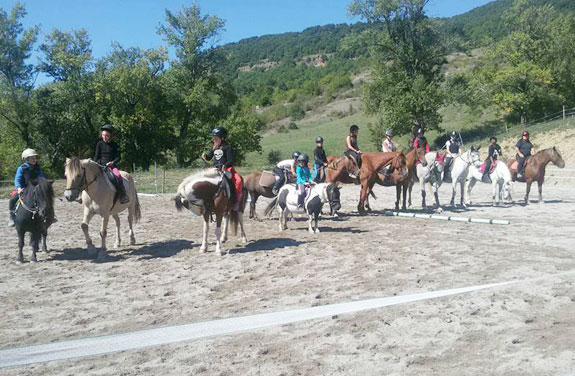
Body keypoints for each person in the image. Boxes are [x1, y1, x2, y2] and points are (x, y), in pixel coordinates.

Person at [202, 126, 243, 211]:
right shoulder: (214, 147)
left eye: (216, 138)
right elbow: (209, 158)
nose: (214, 140)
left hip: (227, 169)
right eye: (213, 138)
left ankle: (236, 202)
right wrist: (205, 156)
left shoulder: (228, 147)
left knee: (238, 181)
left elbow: (230, 160)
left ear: (222, 138)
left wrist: (225, 165)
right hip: (215, 169)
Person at [8, 149, 46, 227]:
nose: (34, 160)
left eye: (35, 158)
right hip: (24, 190)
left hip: (36, 189)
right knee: (12, 200)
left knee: (46, 198)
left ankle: (49, 215)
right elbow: (17, 180)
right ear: (26, 159)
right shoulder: (21, 168)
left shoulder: (38, 168)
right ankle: (12, 217)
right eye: (32, 158)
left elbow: (42, 178)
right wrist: (18, 188)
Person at [94, 124, 129, 204]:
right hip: (100, 165)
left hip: (112, 166)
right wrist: (95, 163)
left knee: (118, 176)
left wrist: (112, 162)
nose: (104, 137)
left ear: (110, 136)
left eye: (106, 135)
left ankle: (123, 195)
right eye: (103, 135)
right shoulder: (99, 144)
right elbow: (96, 156)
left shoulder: (115, 145)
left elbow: (118, 157)